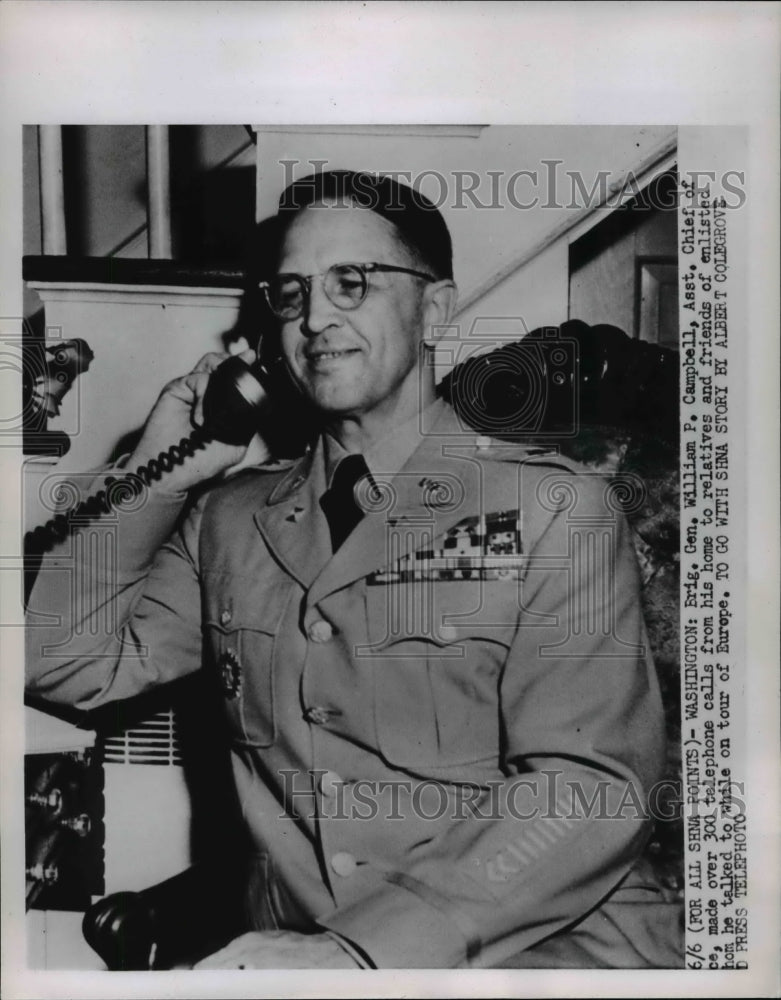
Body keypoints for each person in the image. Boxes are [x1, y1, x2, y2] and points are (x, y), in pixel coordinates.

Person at [25, 170, 682, 969]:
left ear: (434, 308)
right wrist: (159, 472)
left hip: (538, 951)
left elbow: (588, 789)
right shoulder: (231, 518)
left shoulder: (551, 506)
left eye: (352, 283)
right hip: (292, 950)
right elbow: (64, 663)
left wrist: (365, 952)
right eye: (292, 294)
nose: (315, 319)